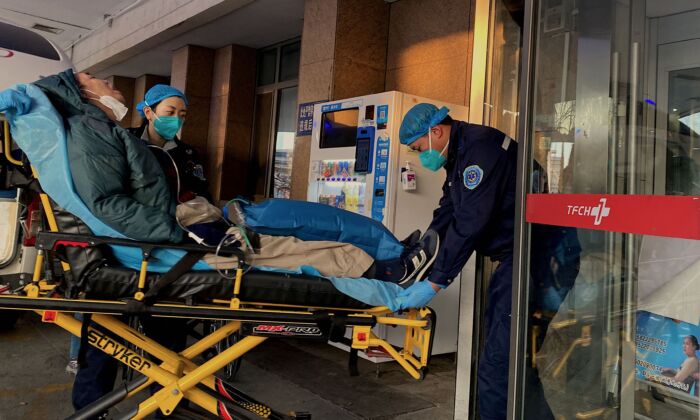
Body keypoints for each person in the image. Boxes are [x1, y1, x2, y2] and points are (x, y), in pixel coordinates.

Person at [394, 103, 517, 420]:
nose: (422, 156)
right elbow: (448, 211)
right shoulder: (459, 154)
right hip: (512, 257)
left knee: (498, 363)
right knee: (505, 358)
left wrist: (437, 280)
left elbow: (470, 222)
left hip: (535, 254)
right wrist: (421, 253)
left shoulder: (481, 148)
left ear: (435, 131)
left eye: (419, 147)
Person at [130, 84, 210, 202]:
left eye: (182, 115)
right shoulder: (127, 140)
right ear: (148, 112)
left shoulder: (188, 154)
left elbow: (201, 188)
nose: (176, 119)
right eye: (170, 112)